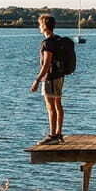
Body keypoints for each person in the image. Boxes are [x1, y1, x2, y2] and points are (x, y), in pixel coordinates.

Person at [29, 13, 70, 143]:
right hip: (59, 77)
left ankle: (53, 136)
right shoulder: (57, 39)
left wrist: (37, 80)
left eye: (40, 24)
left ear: (45, 26)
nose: (39, 27)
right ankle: (59, 134)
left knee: (50, 107)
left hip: (50, 78)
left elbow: (46, 64)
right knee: (58, 105)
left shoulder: (47, 43)